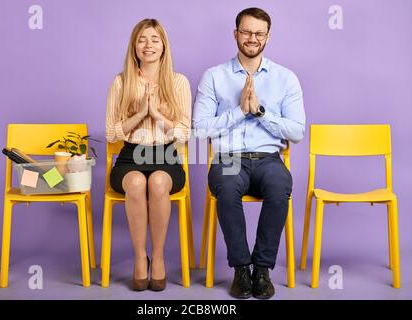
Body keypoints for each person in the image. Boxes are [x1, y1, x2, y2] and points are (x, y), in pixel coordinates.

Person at [193, 7, 305, 299]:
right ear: (236, 34)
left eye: (259, 33)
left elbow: (297, 132)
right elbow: (200, 129)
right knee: (227, 190)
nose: (252, 38)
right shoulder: (214, 77)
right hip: (229, 159)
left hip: (269, 159)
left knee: (280, 186)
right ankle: (241, 269)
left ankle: (262, 269)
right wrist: (240, 111)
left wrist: (260, 112)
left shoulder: (286, 78)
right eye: (246, 31)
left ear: (268, 37)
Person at [106, 18, 191, 292]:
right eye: (142, 39)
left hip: (166, 156)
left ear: (164, 46)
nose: (148, 45)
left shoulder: (178, 82)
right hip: (131, 155)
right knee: (136, 183)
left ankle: (160, 257)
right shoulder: (121, 82)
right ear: (134, 47)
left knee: (156, 183)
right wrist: (140, 114)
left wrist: (157, 115)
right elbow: (111, 133)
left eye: (155, 39)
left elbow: (184, 132)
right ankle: (141, 257)